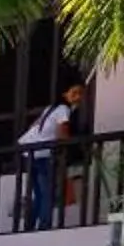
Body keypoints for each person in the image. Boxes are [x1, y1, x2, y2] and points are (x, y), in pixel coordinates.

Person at [20, 83, 85, 230]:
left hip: (28, 151)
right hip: (41, 153)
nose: (78, 97)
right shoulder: (63, 109)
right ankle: (44, 227)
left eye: (81, 93)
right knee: (47, 193)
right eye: (74, 93)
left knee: (39, 193)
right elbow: (63, 132)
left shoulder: (50, 108)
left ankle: (29, 226)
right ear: (65, 94)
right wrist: (72, 146)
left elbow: (34, 126)